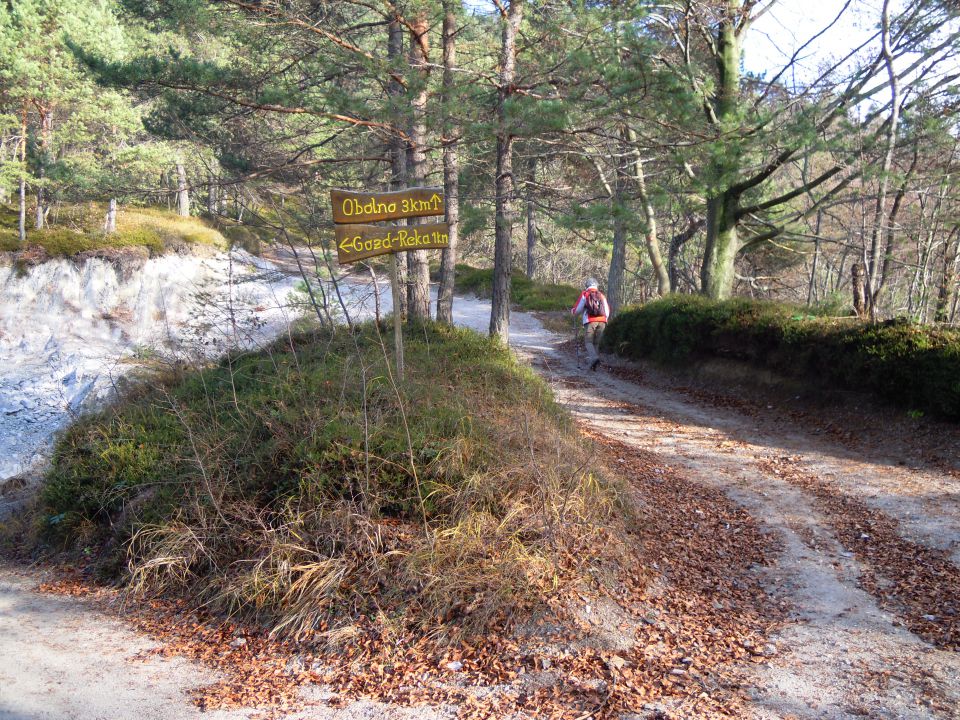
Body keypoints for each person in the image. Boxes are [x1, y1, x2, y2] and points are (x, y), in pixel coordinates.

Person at [570, 277, 610, 371]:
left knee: (588, 342)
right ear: (596, 285)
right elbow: (607, 311)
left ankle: (594, 358)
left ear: (587, 285)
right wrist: (605, 319)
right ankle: (594, 365)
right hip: (603, 321)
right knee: (596, 342)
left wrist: (573, 311)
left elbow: (578, 310)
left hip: (590, 320)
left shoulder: (585, 294)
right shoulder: (601, 295)